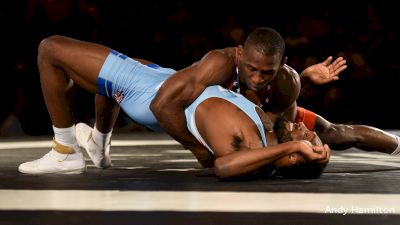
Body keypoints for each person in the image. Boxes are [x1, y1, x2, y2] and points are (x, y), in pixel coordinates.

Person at [17, 34, 328, 175]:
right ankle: (98, 146)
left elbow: (223, 164)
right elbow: (289, 113)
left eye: (308, 138)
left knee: (51, 49)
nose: (305, 127)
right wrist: (306, 80)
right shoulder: (267, 125)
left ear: (292, 158)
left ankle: (65, 152)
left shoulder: (252, 141)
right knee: (105, 82)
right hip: (160, 82)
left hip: (150, 95)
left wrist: (197, 150)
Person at [150, 26, 400, 162]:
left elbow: (277, 126)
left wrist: (300, 83)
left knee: (339, 134)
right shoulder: (219, 64)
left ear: (280, 65)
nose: (257, 79)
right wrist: (200, 149)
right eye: (252, 70)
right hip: (234, 122)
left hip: (272, 122)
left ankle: (398, 146)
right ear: (241, 55)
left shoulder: (286, 81)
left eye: (266, 73)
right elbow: (172, 102)